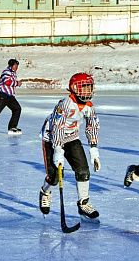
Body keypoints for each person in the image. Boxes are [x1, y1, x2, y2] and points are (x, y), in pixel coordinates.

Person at [38, 73, 101, 219]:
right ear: (74, 88)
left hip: (72, 138)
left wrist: (93, 149)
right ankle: (45, 191)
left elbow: (92, 126)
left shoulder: (89, 107)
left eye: (89, 88)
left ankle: (83, 204)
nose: (87, 91)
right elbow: (58, 127)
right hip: (51, 138)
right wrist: (58, 150)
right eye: (84, 88)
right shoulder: (65, 104)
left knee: (83, 170)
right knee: (54, 177)